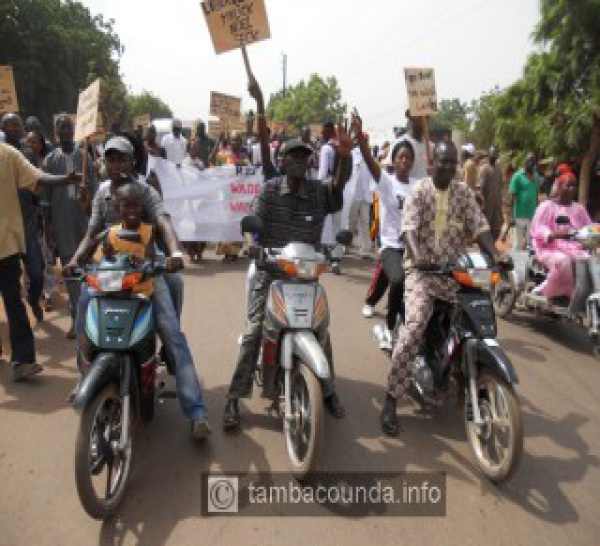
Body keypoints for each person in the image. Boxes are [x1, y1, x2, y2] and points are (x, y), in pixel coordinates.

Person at [64, 136, 210, 439]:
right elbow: (91, 234)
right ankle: (84, 378)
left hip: (146, 273)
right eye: (110, 159)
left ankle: (196, 413)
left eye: (122, 159)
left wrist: (175, 253)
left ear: (133, 162)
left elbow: (164, 224)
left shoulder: (146, 191)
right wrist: (75, 260)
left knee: (172, 334)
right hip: (108, 274)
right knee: (82, 312)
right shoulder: (102, 193)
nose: (115, 165)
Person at [222, 129, 353, 429]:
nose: (299, 161)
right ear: (281, 162)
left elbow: (338, 185)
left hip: (306, 277)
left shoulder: (319, 192)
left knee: (321, 329)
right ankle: (234, 397)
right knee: (254, 330)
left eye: (304, 156)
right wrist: (250, 242)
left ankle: (328, 389)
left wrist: (344, 156)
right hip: (271, 274)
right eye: (293, 156)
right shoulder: (269, 191)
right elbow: (250, 226)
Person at [380, 140, 497, 436]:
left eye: (451, 162)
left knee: (476, 326)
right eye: (441, 161)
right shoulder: (419, 191)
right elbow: (408, 229)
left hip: (455, 276)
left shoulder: (464, 193)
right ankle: (391, 400)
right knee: (414, 327)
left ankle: (463, 379)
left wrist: (495, 256)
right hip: (423, 274)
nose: (446, 166)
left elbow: (480, 227)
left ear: (457, 165)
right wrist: (419, 257)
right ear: (432, 165)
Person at [0, 141, 82, 381]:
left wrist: (66, 179)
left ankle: (23, 361)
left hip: (4, 244)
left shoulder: (7, 155)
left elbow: (37, 176)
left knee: (13, 301)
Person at [353, 111, 418, 349]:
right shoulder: (387, 182)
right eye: (401, 157)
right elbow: (371, 164)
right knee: (398, 280)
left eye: (409, 159)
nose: (404, 161)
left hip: (415, 247)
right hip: (392, 245)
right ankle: (390, 329)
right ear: (395, 159)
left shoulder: (418, 186)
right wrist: (360, 137)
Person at [42, 114, 97, 337]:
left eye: (68, 127)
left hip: (82, 221)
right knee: (69, 269)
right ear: (56, 133)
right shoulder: (50, 160)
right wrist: (48, 230)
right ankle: (77, 318)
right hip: (61, 221)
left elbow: (95, 192)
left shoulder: (85, 158)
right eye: (61, 128)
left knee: (85, 268)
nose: (64, 131)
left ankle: (90, 316)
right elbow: (45, 200)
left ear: (74, 130)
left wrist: (87, 198)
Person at [2, 113, 45, 322]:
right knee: (10, 277)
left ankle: (34, 298)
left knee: (37, 271)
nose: (13, 128)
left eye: (16, 124)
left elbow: (37, 183)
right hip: (5, 225)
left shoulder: (28, 153)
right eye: (8, 125)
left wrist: (38, 214)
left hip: (27, 220)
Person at [530, 173, 592, 302]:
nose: (572, 189)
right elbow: (539, 228)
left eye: (574, 186)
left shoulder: (579, 209)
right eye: (568, 185)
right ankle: (555, 294)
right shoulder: (546, 206)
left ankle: (583, 293)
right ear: (559, 186)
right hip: (548, 248)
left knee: (590, 260)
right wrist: (554, 234)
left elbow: (589, 227)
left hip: (574, 248)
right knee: (564, 261)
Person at [344, 132, 375, 259]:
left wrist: (373, 190)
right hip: (354, 193)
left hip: (365, 194)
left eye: (366, 140)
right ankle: (345, 245)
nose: (365, 142)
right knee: (350, 222)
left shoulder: (370, 155)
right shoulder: (352, 153)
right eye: (363, 140)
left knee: (365, 222)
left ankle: (366, 251)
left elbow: (373, 174)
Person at [319, 121, 344, 273]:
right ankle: (336, 259)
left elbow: (322, 173)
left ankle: (323, 255)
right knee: (337, 225)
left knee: (323, 223)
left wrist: (317, 187)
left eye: (323, 132)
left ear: (328, 132)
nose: (321, 135)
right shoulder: (341, 148)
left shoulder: (326, 149)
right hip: (338, 189)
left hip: (326, 188)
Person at [509, 152, 541, 250]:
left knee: (531, 243)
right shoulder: (517, 176)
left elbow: (537, 195)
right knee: (518, 244)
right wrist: (511, 216)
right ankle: (517, 262)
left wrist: (538, 212)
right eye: (529, 161)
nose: (530, 164)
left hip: (532, 213)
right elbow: (512, 196)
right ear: (525, 162)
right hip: (519, 213)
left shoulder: (536, 177)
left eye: (532, 162)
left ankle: (528, 263)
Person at [479, 145, 504, 241]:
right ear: (488, 155)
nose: (494, 156)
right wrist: (482, 204)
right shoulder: (484, 169)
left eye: (495, 154)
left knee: (497, 227)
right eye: (492, 154)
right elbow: (480, 188)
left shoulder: (498, 168)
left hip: (497, 204)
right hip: (487, 204)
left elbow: (500, 185)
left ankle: (493, 245)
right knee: (486, 228)